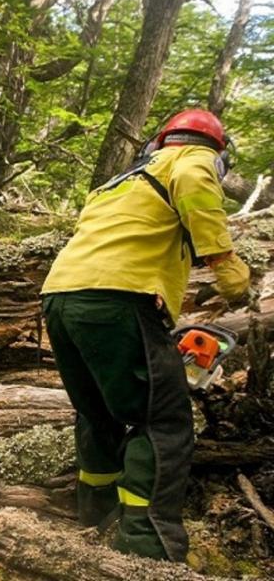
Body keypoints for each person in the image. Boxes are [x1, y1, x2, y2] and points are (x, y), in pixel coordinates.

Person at [41, 109, 250, 562]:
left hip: (60, 298)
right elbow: (196, 190)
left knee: (98, 415)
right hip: (119, 301)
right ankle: (148, 544)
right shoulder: (192, 160)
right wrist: (224, 264)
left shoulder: (118, 183)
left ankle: (96, 516)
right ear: (215, 150)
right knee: (162, 421)